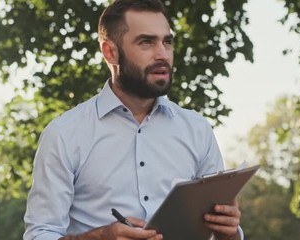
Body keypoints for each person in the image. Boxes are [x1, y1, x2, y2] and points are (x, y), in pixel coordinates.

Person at [23, 0, 243, 239]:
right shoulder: (64, 135)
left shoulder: (197, 130)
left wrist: (229, 232)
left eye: (167, 42)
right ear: (110, 52)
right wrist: (99, 238)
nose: (162, 54)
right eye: (146, 42)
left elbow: (216, 232)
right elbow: (40, 234)